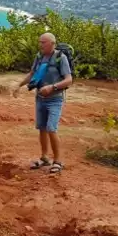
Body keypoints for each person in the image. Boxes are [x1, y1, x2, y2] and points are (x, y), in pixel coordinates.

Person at [13, 32, 73, 174]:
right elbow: (32, 73)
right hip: (40, 98)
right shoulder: (39, 57)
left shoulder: (61, 58)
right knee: (42, 128)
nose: (40, 45)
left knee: (51, 128)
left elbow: (69, 79)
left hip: (55, 100)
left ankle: (58, 161)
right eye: (40, 42)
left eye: (43, 42)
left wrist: (52, 87)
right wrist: (19, 85)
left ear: (52, 43)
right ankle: (45, 157)